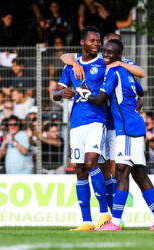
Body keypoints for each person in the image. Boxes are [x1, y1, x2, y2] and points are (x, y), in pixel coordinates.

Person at [59, 29, 145, 224]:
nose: (101, 48)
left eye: (104, 45)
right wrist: (73, 62)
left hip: (112, 124)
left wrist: (137, 101)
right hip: (90, 122)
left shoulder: (112, 64)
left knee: (114, 169)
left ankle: (113, 217)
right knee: (99, 169)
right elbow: (64, 56)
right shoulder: (83, 62)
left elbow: (138, 79)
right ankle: (94, 220)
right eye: (99, 44)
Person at [85, 39, 154, 231]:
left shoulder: (114, 72)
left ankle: (115, 222)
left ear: (118, 56)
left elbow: (100, 100)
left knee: (122, 172)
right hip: (132, 126)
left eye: (110, 52)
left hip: (128, 129)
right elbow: (139, 91)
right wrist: (136, 103)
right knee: (139, 175)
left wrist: (84, 95)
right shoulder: (127, 72)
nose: (105, 54)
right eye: (105, 51)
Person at [53, 26, 110, 231]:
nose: (97, 44)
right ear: (83, 43)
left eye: (98, 41)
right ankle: (86, 221)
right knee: (80, 169)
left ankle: (104, 213)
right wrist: (62, 93)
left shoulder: (104, 63)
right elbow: (55, 92)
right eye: (93, 41)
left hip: (97, 119)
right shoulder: (71, 67)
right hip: (76, 122)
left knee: (91, 161)